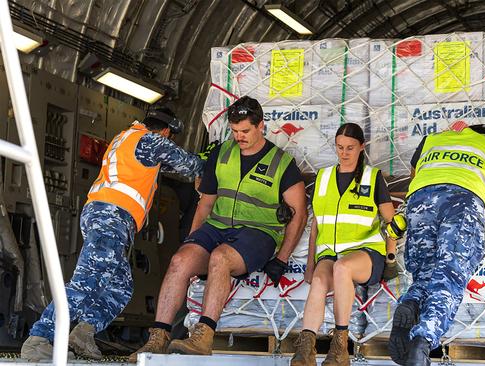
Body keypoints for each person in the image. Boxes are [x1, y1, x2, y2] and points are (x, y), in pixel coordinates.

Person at [129, 96, 307, 362]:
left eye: (245, 131)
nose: (239, 137)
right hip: (217, 226)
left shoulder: (282, 163)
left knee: (220, 258)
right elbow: (205, 204)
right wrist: (192, 241)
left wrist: (281, 258)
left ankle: (204, 335)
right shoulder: (221, 153)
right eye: (235, 131)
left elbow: (300, 214)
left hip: (258, 233)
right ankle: (158, 337)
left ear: (261, 126)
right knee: (180, 260)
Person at [21, 107, 205, 361]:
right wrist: (211, 164)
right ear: (165, 131)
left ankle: (83, 334)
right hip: (111, 217)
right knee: (87, 280)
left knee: (120, 286)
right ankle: (39, 338)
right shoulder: (149, 141)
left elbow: (163, 167)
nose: (168, 141)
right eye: (169, 137)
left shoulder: (129, 138)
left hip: (106, 215)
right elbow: (187, 163)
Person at [388, 124, 485, 366]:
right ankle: (424, 340)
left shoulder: (432, 140)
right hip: (462, 203)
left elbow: (415, 171)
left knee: (424, 273)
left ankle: (411, 302)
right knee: (449, 276)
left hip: (420, 201)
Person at [291, 123, 399, 366]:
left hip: (366, 254)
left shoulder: (373, 177)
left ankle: (340, 347)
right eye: (340, 147)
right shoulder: (323, 177)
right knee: (319, 281)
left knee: (342, 268)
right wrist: (311, 263)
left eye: (350, 147)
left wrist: (391, 257)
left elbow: (393, 222)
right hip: (330, 252)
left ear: (361, 147)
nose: (344, 153)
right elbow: (316, 225)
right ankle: (305, 348)